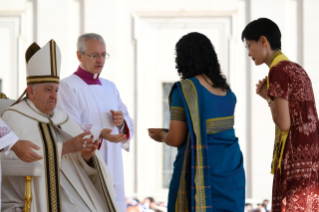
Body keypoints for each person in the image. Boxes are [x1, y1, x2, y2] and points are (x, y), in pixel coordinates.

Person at [1, 40, 119, 211]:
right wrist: (62, 148)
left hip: (73, 191)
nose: (54, 96)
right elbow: (12, 157)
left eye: (56, 90)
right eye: (48, 90)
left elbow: (77, 161)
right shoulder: (14, 117)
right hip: (34, 195)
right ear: (31, 91)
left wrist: (86, 156)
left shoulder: (61, 117)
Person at [148, 32, 245, 211]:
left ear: (183, 59)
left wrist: (161, 134)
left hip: (200, 171)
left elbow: (176, 138)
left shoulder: (185, 90)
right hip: (230, 172)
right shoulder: (227, 93)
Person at [242, 17, 319, 211]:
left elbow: (284, 123)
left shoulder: (277, 71)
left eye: (249, 46)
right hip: (311, 158)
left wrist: (269, 99)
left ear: (263, 41)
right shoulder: (297, 70)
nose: (249, 53)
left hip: (294, 158)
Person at [57, 33, 135, 212]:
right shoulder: (67, 86)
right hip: (87, 164)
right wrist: (100, 132)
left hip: (114, 164)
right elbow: (68, 124)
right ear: (79, 55)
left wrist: (121, 123)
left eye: (103, 55)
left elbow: (128, 120)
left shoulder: (110, 87)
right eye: (94, 55)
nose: (100, 60)